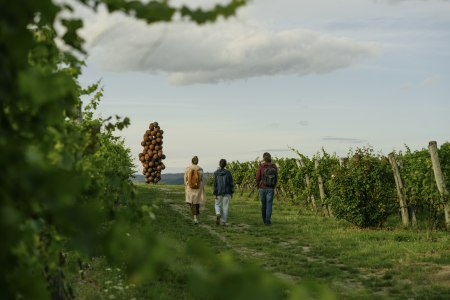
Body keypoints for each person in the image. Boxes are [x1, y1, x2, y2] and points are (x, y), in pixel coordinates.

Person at [255, 152, 278, 225]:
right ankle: (268, 221)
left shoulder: (261, 166)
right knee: (269, 205)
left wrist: (258, 185)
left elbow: (257, 177)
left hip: (262, 188)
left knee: (263, 205)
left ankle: (264, 219)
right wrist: (273, 186)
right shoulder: (274, 166)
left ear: (263, 158)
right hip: (270, 188)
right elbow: (276, 177)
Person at [184, 156, 206, 225]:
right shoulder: (201, 169)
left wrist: (186, 185)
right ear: (197, 162)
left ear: (192, 161)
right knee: (196, 202)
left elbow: (185, 179)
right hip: (198, 187)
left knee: (192, 202)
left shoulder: (187, 169)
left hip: (190, 187)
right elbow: (201, 179)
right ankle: (196, 216)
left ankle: (195, 218)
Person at [213, 159, 234, 226]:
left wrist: (215, 193)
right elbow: (231, 183)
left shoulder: (216, 173)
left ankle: (218, 213)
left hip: (219, 191)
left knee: (217, 204)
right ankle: (224, 221)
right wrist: (231, 192)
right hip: (227, 191)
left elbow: (215, 184)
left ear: (219, 164)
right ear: (225, 165)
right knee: (225, 206)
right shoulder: (228, 172)